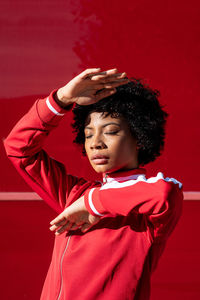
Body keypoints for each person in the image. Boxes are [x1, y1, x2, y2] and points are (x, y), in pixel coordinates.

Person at [4, 68, 183, 300]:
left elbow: (164, 195)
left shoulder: (147, 208)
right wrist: (61, 100)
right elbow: (18, 148)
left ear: (139, 138)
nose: (95, 143)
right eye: (88, 134)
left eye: (110, 131)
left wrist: (92, 204)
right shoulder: (74, 194)